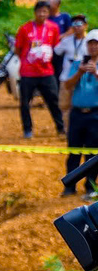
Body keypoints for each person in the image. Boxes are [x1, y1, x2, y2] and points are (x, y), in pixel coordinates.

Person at [20, 0, 68, 138]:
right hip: (28, 72)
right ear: (35, 13)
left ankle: (60, 128)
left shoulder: (53, 28)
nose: (42, 14)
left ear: (48, 13)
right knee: (25, 102)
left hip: (47, 72)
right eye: (39, 11)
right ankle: (27, 130)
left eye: (45, 12)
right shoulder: (25, 28)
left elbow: (56, 47)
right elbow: (19, 48)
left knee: (53, 100)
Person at [64, 33, 98, 194]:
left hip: (95, 114)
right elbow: (67, 85)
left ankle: (90, 187)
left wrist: (95, 73)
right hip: (77, 114)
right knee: (73, 151)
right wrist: (79, 72)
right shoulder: (77, 64)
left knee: (93, 153)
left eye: (96, 44)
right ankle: (70, 186)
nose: (93, 47)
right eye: (90, 43)